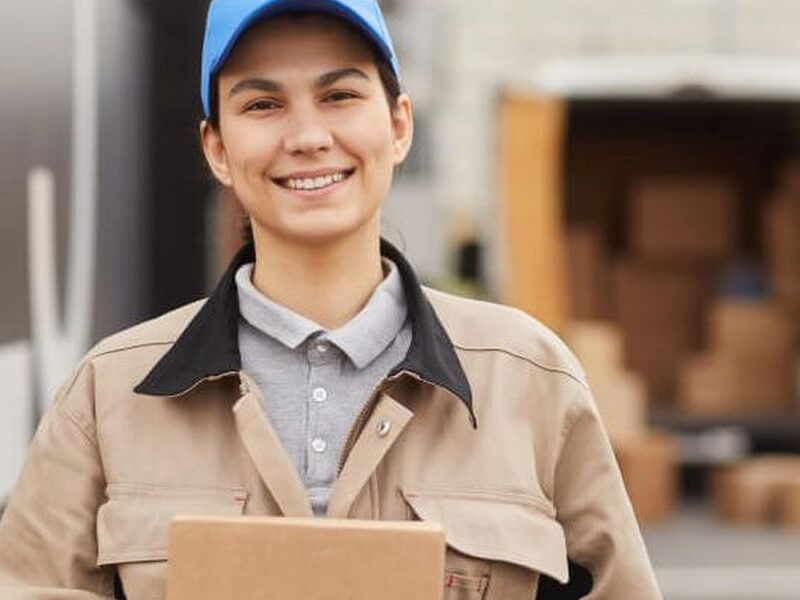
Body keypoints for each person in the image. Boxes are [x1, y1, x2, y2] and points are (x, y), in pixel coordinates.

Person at [0, 0, 662, 598]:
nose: (308, 136)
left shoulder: (527, 377)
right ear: (218, 148)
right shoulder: (111, 391)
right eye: (263, 104)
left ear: (399, 125)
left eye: (340, 94)